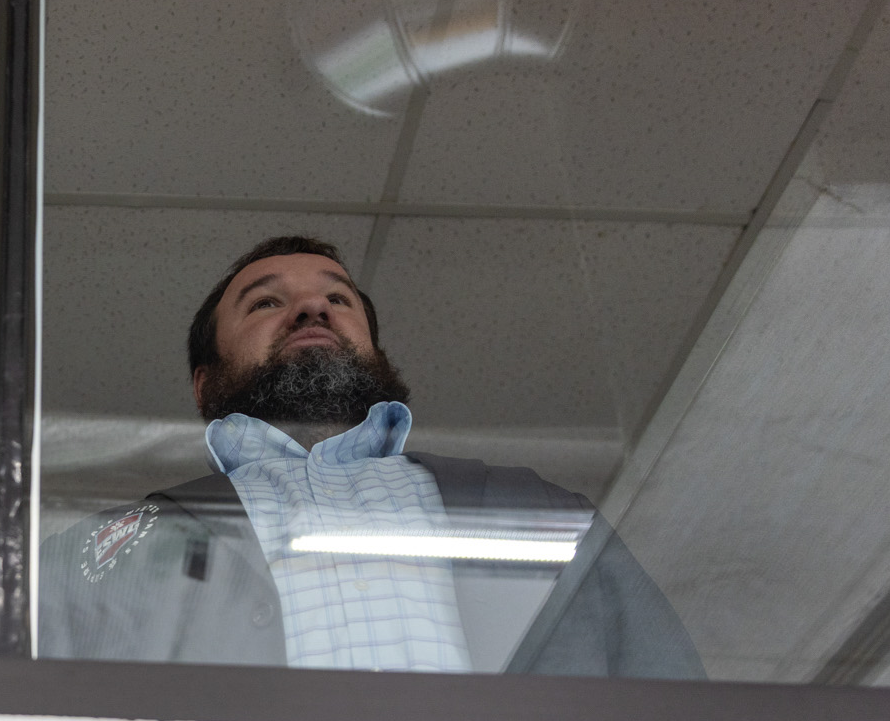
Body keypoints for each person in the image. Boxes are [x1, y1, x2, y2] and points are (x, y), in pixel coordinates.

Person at [40, 236, 703, 677]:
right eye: (266, 301)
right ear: (205, 382)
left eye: (338, 298)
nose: (311, 307)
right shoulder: (102, 551)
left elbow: (674, 708)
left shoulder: (542, 514)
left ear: (373, 351)